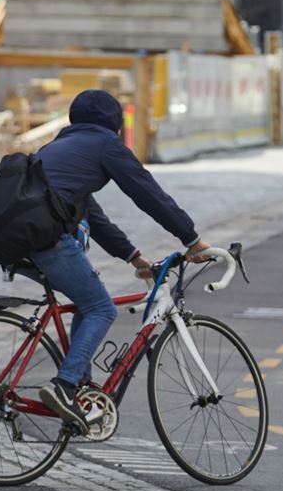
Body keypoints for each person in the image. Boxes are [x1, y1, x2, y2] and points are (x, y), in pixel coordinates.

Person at [32, 90, 210, 431]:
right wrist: (191, 239)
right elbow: (146, 192)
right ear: (116, 125)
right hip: (49, 237)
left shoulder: (57, 148)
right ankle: (66, 385)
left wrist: (133, 257)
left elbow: (91, 216)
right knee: (102, 308)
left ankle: (79, 395)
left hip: (16, 238)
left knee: (86, 304)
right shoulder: (104, 144)